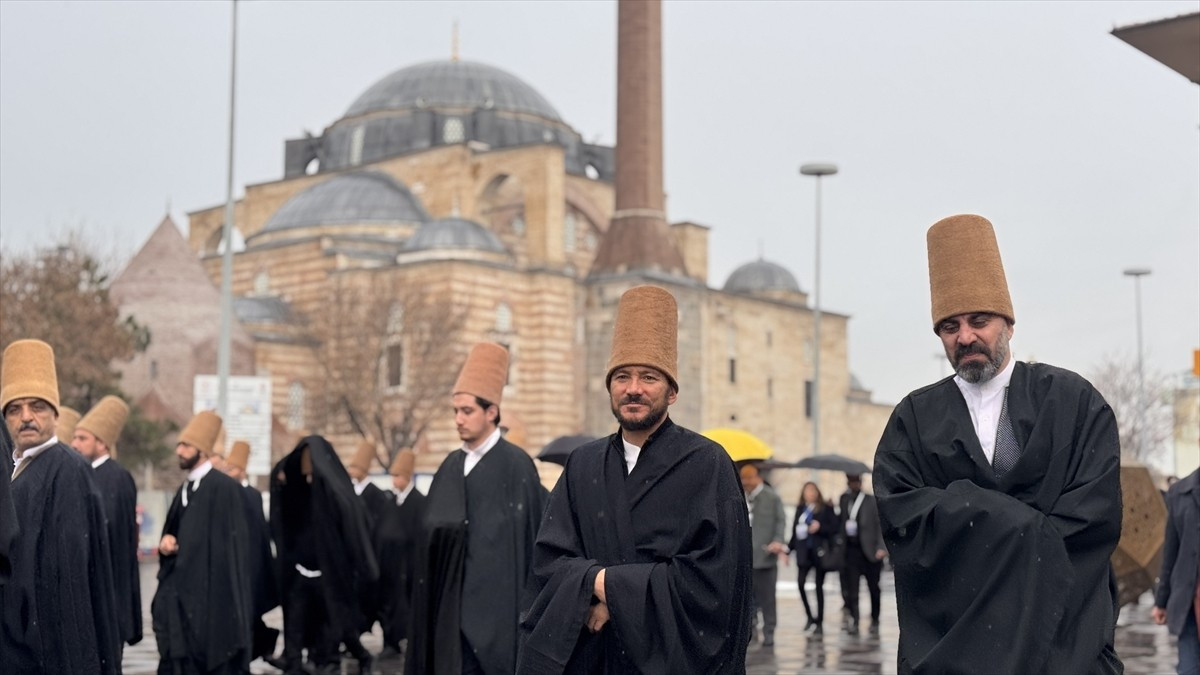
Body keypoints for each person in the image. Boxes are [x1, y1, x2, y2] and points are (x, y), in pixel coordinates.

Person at [873, 214, 1123, 674]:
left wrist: (970, 514)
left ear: (1008, 322)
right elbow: (904, 518)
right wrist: (1021, 525)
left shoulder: (1073, 402)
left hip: (1062, 644)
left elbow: (1094, 519)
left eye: (979, 321)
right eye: (950, 326)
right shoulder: (913, 419)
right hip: (955, 648)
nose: (966, 337)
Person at [518, 285, 752, 674]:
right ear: (609, 386)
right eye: (622, 376)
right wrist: (603, 586)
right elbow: (550, 561)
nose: (633, 389)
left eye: (649, 377)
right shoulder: (583, 464)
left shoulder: (707, 464)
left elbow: (716, 582)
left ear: (672, 392)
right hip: (596, 658)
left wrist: (614, 595)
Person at [407, 341, 548, 675]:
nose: (458, 419)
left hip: (498, 623)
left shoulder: (517, 467)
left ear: (491, 412)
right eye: (455, 411)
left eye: (466, 411)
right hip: (448, 618)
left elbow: (532, 546)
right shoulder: (449, 467)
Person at [0, 339, 122, 673]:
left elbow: (69, 591)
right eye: (15, 409)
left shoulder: (66, 470)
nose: (26, 417)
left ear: (54, 412)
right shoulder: (15, 469)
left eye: (37, 406)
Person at [152, 410, 253, 675]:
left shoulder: (224, 488)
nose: (180, 451)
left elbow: (233, 552)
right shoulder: (184, 488)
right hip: (180, 601)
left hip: (211, 603)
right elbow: (173, 531)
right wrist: (167, 543)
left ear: (204, 451)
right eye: (179, 445)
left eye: (186, 446)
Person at [270, 436, 377, 675]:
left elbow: (353, 526)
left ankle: (344, 660)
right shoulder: (298, 494)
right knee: (296, 625)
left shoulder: (333, 493)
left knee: (335, 627)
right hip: (300, 573)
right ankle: (294, 664)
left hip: (329, 576)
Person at [73, 395, 144, 649]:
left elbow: (114, 538)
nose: (74, 444)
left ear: (102, 443)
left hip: (109, 594)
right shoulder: (84, 473)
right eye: (74, 437)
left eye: (82, 439)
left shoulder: (117, 477)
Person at [222, 440, 281, 665]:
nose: (229, 473)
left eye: (232, 469)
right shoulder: (231, 493)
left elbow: (259, 535)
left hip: (251, 568)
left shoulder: (252, 496)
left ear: (242, 470)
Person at [374, 448, 426, 661]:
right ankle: (391, 641)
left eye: (397, 476)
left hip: (409, 566)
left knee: (408, 607)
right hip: (391, 565)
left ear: (407, 477)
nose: (394, 481)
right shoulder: (390, 501)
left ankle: (408, 642)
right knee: (388, 605)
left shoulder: (420, 502)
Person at [1153, 467, 1199, 675]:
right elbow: (1171, 552)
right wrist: (1161, 601)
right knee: (1189, 669)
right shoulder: (1180, 492)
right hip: (1189, 602)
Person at [741, 462, 786, 647]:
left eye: (749, 478)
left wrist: (778, 540)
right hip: (746, 558)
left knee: (767, 598)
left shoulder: (771, 497)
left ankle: (769, 631)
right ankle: (750, 628)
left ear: (758, 477)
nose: (746, 482)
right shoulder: (740, 497)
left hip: (766, 557)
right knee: (747, 598)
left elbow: (781, 521)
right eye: (743, 478)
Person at [788, 481, 838, 635]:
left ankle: (819, 621)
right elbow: (795, 532)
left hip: (819, 552)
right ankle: (810, 616)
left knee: (818, 587)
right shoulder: (800, 509)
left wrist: (820, 527)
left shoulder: (825, 508)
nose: (810, 494)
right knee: (801, 584)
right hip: (804, 552)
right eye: (807, 491)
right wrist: (788, 549)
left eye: (813, 491)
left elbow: (834, 528)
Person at [838, 473, 886, 635]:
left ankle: (875, 618)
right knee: (852, 589)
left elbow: (881, 524)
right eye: (850, 482)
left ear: (860, 482)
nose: (853, 485)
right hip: (851, 551)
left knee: (873, 587)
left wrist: (881, 547)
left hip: (870, 551)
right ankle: (855, 619)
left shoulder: (871, 501)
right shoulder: (844, 500)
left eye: (855, 481)